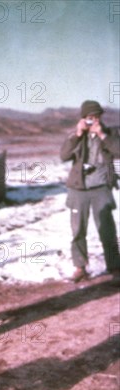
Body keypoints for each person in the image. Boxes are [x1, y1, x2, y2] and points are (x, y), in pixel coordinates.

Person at [60, 100, 120, 282]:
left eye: (96, 117)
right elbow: (64, 156)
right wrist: (77, 134)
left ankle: (115, 268)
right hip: (79, 189)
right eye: (89, 118)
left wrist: (102, 135)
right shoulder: (77, 136)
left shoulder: (110, 133)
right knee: (78, 229)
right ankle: (80, 267)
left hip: (101, 187)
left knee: (107, 230)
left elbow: (118, 150)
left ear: (101, 117)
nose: (92, 120)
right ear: (83, 119)